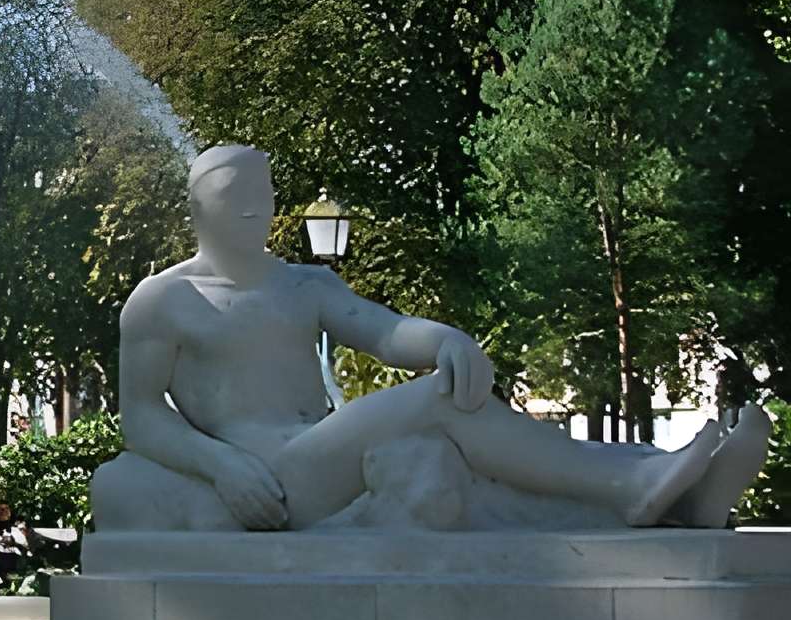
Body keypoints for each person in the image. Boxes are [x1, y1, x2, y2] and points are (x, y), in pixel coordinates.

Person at [93, 144, 771, 533]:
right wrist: (220, 467)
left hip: (319, 452)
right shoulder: (163, 300)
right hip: (270, 478)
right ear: (195, 208)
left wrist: (443, 337)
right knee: (444, 402)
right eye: (233, 195)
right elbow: (142, 420)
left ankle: (683, 501)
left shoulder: (304, 284)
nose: (253, 207)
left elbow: (384, 332)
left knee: (472, 453)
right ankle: (637, 479)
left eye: (262, 194)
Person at [0, 497, 36, 591]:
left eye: (6, 508)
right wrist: (3, 540)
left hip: (16, 555)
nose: (4, 511)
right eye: (1, 509)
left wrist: (18, 540)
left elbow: (25, 540)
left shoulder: (17, 521)